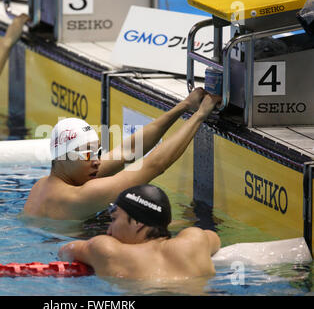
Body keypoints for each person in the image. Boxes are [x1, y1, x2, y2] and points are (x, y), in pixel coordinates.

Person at [24, 88, 220, 220]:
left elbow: (129, 150)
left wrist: (184, 106)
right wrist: (199, 116)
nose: (96, 162)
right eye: (87, 155)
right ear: (62, 159)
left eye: (98, 152)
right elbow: (154, 166)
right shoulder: (79, 196)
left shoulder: (45, 183)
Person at [58, 184, 221, 280]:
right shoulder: (195, 239)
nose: (109, 231)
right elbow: (214, 239)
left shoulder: (108, 249)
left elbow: (65, 251)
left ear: (137, 222)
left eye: (114, 219)